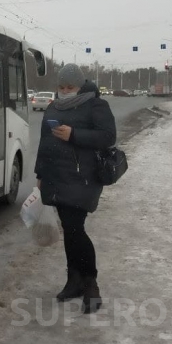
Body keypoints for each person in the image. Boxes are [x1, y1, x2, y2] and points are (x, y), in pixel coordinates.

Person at [34, 64, 117, 314]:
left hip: (83, 178)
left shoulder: (96, 105)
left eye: (70, 87)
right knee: (70, 230)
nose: (65, 91)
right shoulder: (53, 106)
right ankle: (74, 280)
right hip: (56, 177)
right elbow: (44, 143)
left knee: (74, 228)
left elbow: (107, 137)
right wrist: (40, 174)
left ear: (80, 86)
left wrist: (73, 134)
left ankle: (91, 284)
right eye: (61, 87)